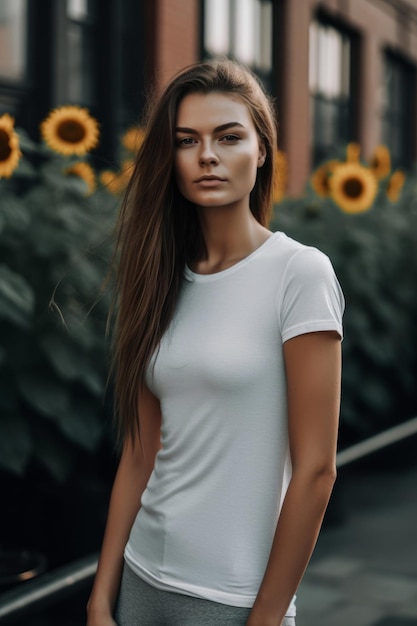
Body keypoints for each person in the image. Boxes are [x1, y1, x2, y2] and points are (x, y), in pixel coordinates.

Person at [86, 58, 344, 626]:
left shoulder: (299, 273)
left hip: (232, 601)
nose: (207, 155)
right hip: (139, 580)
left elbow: (316, 471)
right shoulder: (159, 276)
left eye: (229, 137)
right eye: (187, 140)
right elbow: (139, 454)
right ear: (170, 159)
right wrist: (100, 595)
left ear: (262, 151)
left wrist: (265, 619)